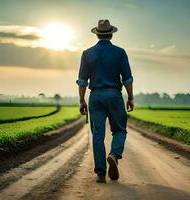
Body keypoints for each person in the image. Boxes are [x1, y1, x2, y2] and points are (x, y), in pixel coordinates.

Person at [76, 19, 134, 183]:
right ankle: (114, 155)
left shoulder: (87, 53)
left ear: (97, 35)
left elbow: (82, 81)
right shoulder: (120, 52)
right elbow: (127, 79)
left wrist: (81, 100)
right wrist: (130, 97)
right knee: (120, 130)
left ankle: (101, 173)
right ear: (111, 34)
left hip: (95, 97)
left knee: (98, 135)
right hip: (114, 94)